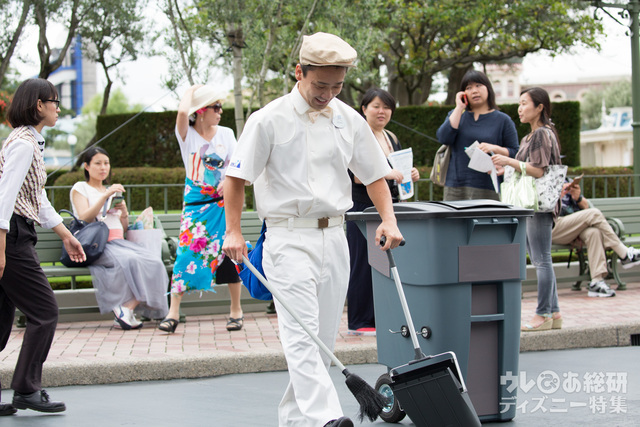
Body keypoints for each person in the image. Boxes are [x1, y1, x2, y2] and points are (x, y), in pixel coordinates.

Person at [221, 32, 404, 427]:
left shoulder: (348, 118)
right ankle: (326, 418)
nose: (328, 94)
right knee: (301, 333)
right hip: (287, 238)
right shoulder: (267, 119)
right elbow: (235, 178)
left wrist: (388, 219)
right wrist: (232, 231)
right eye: (321, 85)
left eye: (337, 86)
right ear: (299, 71)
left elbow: (374, 175)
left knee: (320, 339)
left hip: (336, 236)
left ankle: (295, 419)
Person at [0, 78, 85, 415]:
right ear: (38, 105)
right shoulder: (23, 144)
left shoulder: (25, 141)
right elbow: (4, 199)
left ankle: (24, 389)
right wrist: (2, 246)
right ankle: (26, 389)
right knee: (45, 312)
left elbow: (35, 196)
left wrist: (65, 233)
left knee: (2, 320)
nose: (58, 108)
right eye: (54, 101)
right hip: (13, 238)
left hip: (16, 234)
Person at [158, 85, 244, 334]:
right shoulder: (188, 136)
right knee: (185, 255)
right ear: (202, 111)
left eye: (220, 107)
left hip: (222, 204)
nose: (220, 112)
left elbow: (236, 166)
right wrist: (191, 92)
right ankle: (173, 311)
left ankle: (236, 310)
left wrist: (225, 183)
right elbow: (182, 114)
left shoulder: (226, 134)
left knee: (230, 254)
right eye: (216, 107)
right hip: (195, 206)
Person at [346, 88, 419, 336]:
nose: (382, 111)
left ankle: (381, 317)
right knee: (362, 264)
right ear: (364, 109)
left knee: (386, 263)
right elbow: (357, 175)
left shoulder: (391, 136)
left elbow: (398, 168)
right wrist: (387, 173)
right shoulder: (358, 135)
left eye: (387, 107)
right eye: (376, 106)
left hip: (389, 209)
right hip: (362, 209)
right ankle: (359, 320)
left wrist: (409, 174)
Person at [71, 147, 169, 329]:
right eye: (98, 163)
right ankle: (125, 310)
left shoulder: (110, 190)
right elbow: (84, 217)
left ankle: (127, 308)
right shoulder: (81, 188)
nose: (103, 167)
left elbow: (122, 229)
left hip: (119, 242)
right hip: (97, 245)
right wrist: (105, 197)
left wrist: (123, 213)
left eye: (106, 163)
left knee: (154, 262)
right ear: (86, 166)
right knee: (130, 260)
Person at [491, 87, 563, 332]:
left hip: (538, 204)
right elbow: (527, 167)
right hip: (534, 202)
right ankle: (553, 312)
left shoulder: (542, 134)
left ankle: (543, 314)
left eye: (524, 103)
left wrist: (509, 161)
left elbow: (538, 170)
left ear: (540, 107)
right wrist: (507, 168)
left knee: (541, 259)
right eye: (519, 103)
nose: (519, 109)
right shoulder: (532, 136)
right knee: (541, 258)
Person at [436, 69, 519, 201]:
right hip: (455, 186)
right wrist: (459, 108)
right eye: (468, 88)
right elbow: (443, 138)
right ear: (463, 93)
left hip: (488, 186)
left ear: (488, 89)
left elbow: (515, 152)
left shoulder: (503, 120)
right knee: (454, 221)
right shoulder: (457, 115)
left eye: (478, 85)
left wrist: (494, 148)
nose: (474, 91)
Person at [552, 181, 640, 297]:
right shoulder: (544, 177)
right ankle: (624, 253)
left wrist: (577, 197)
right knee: (594, 213)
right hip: (553, 226)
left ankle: (596, 282)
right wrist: (558, 196)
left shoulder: (566, 178)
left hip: (574, 228)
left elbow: (588, 208)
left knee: (594, 233)